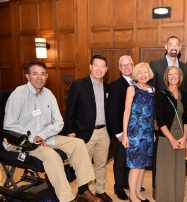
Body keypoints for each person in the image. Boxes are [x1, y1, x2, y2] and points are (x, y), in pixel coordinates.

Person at [3, 62, 101, 202]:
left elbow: (59, 122)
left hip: (46, 137)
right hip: (24, 142)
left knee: (78, 144)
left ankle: (83, 190)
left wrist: (42, 135)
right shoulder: (18, 94)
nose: (39, 78)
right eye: (35, 74)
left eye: (43, 74)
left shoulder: (48, 94)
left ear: (47, 76)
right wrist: (33, 138)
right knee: (52, 155)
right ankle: (66, 199)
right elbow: (9, 125)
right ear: (27, 76)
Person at [63, 55, 112, 202]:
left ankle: (100, 190)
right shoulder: (79, 85)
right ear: (90, 67)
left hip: (103, 131)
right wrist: (70, 131)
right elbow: (70, 110)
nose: (99, 69)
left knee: (101, 164)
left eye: (102, 66)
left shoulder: (108, 87)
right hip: (83, 132)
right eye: (96, 65)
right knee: (84, 166)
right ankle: (85, 192)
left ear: (106, 69)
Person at [149, 36, 187, 198]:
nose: (174, 46)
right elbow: (152, 93)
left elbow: (185, 95)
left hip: (179, 123)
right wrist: (155, 120)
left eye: (177, 44)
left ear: (180, 48)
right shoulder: (156, 65)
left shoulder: (184, 67)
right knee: (162, 164)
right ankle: (157, 190)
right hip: (162, 121)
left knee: (178, 167)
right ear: (166, 47)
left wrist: (185, 135)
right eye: (171, 44)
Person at [155, 66, 187, 202]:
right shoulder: (161, 94)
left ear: (180, 77)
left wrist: (184, 137)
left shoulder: (184, 94)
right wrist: (172, 139)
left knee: (179, 170)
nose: (173, 77)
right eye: (170, 74)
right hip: (166, 137)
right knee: (166, 170)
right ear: (166, 77)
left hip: (181, 136)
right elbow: (161, 120)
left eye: (176, 74)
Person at [122, 62, 155, 202]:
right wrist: (124, 134)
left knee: (142, 165)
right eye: (140, 73)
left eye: (145, 72)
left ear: (149, 74)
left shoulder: (152, 89)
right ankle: (132, 196)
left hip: (148, 133)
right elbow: (127, 111)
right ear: (136, 74)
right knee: (135, 166)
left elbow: (153, 113)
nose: (143, 75)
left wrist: (153, 131)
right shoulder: (131, 89)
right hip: (135, 133)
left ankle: (137, 192)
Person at [107, 55, 133, 200]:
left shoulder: (136, 83)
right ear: (119, 68)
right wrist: (118, 133)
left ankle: (129, 183)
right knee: (120, 161)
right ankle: (119, 187)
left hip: (133, 131)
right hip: (121, 132)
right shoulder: (116, 85)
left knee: (131, 160)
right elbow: (112, 111)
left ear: (133, 65)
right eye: (123, 65)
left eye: (128, 64)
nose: (126, 67)